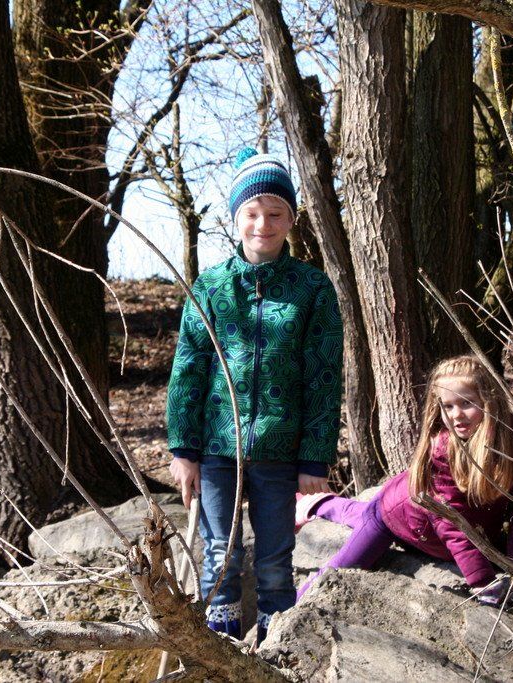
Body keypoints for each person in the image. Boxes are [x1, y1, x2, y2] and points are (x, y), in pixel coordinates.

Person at [166, 147, 343, 642]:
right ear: (235, 217)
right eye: (252, 212)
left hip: (280, 450)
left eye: (275, 213)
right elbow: (188, 369)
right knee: (219, 553)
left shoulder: (312, 289)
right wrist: (183, 449)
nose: (263, 224)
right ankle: (220, 647)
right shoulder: (210, 287)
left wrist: (314, 458)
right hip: (216, 449)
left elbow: (324, 378)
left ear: (291, 219)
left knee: (274, 560)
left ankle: (275, 649)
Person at [295, 355, 513, 605]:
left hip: (422, 518)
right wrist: (483, 583)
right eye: (447, 406)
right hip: (394, 516)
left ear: (489, 401)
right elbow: (452, 524)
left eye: (466, 403)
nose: (456, 415)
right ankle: (283, 607)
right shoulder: (444, 449)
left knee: (358, 512)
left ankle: (318, 503)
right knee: (345, 565)